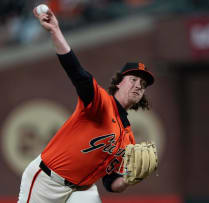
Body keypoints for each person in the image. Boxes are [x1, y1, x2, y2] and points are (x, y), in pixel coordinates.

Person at [17, 6, 155, 203]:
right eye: (133, 79)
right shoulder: (101, 103)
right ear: (118, 82)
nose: (138, 86)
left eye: (143, 84)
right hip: (47, 181)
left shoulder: (128, 137)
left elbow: (110, 181)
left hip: (81, 191)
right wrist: (56, 31)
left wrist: (127, 181)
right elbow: (77, 73)